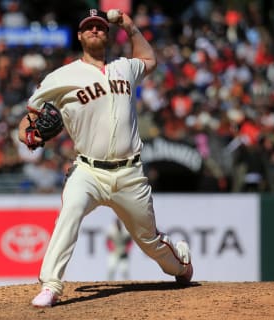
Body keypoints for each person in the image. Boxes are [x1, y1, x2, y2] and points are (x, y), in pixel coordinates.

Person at [18, 9, 193, 308]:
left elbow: (149, 60)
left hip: (129, 173)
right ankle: (51, 285)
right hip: (88, 170)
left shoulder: (124, 67)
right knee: (70, 211)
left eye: (100, 27)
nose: (95, 31)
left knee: (149, 241)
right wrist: (29, 136)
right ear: (79, 35)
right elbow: (27, 120)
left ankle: (181, 265)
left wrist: (131, 26)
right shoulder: (61, 77)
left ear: (107, 34)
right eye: (89, 28)